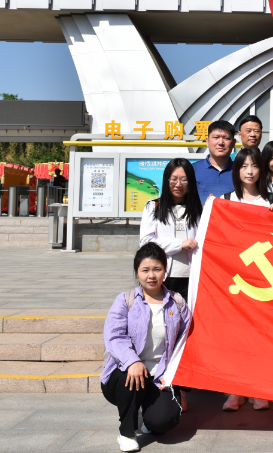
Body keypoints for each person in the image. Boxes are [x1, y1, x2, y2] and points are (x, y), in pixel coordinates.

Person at [102, 242, 190, 452]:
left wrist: (172, 375)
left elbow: (185, 340)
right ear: (137, 272)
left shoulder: (177, 302)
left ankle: (148, 416)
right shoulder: (125, 301)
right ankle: (126, 432)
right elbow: (114, 336)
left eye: (157, 269)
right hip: (124, 375)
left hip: (159, 376)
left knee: (163, 422)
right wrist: (132, 361)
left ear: (165, 271)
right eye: (145, 270)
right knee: (131, 374)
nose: (151, 275)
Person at [220, 147, 273, 412]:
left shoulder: (270, 200)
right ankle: (235, 390)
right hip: (234, 278)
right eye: (244, 166)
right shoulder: (226, 200)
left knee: (260, 336)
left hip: (262, 279)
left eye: (254, 165)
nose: (250, 171)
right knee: (235, 337)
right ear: (236, 170)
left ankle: (259, 389)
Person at [139, 158, 202, 302]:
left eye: (184, 180)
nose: (178, 184)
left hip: (192, 278)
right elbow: (146, 242)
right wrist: (180, 245)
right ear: (166, 180)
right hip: (163, 277)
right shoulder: (153, 207)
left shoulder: (200, 209)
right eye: (173, 179)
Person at [194, 120, 236, 203]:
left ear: (234, 143)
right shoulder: (193, 170)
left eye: (226, 138)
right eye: (216, 137)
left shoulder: (241, 171)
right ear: (207, 141)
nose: (220, 142)